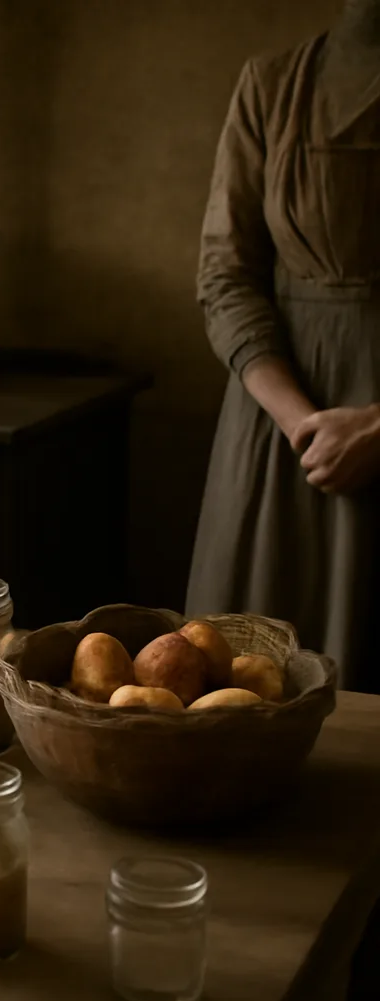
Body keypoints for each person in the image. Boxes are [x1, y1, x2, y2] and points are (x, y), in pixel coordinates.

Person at [187, 0, 380, 693]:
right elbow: (226, 273)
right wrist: (302, 424)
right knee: (242, 684)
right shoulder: (271, 85)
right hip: (278, 434)